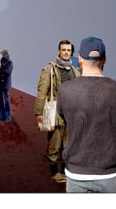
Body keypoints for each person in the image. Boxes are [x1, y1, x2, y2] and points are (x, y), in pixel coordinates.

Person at [57, 36, 116, 193]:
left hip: (76, 171)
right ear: (105, 60)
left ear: (80, 59)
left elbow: (63, 117)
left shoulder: (65, 90)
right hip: (109, 172)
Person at [36, 39, 80, 184]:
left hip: (71, 114)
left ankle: (64, 172)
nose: (66, 52)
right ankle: (55, 173)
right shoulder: (50, 69)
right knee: (54, 143)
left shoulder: (75, 71)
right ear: (58, 51)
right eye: (63, 50)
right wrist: (38, 113)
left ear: (71, 52)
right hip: (55, 113)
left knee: (68, 145)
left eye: (68, 50)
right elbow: (42, 91)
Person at [0, 49, 13, 122]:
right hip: (0, 83)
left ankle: (8, 116)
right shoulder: (1, 62)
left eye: (0, 54)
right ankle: (1, 116)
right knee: (0, 100)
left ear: (3, 55)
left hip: (6, 83)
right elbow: (0, 72)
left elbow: (7, 72)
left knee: (6, 99)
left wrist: (0, 67)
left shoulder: (10, 62)